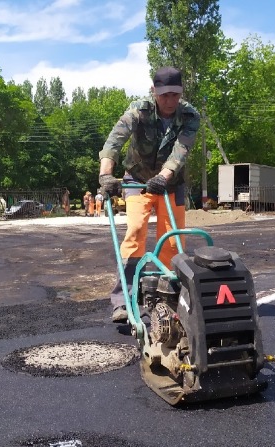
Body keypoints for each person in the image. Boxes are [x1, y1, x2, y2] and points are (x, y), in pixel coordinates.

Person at [98, 66, 200, 323]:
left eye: (175, 95)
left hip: (171, 183)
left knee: (173, 241)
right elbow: (114, 141)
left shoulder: (189, 116)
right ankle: (123, 300)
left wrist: (163, 178)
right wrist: (106, 175)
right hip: (137, 179)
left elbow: (181, 151)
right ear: (154, 91)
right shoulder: (139, 110)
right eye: (164, 95)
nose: (169, 101)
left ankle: (169, 299)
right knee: (135, 231)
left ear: (181, 93)